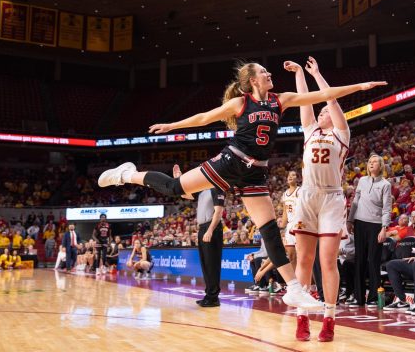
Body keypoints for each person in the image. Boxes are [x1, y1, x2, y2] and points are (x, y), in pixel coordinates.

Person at [98, 61, 385, 310]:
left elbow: (322, 94)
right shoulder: (241, 103)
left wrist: (359, 87)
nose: (269, 73)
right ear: (251, 81)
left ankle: (294, 289)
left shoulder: (280, 99)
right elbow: (203, 118)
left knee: (270, 230)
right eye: (263, 71)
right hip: (230, 162)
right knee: (175, 187)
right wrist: (173, 126)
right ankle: (128, 174)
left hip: (255, 173)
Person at [286, 57, 350, 342]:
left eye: (326, 109)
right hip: (308, 196)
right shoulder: (310, 130)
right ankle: (302, 317)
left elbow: (332, 100)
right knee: (304, 259)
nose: (323, 110)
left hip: (331, 199)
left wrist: (318, 74)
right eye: (321, 109)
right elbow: (304, 102)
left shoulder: (341, 134)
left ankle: (329, 319)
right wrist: (300, 73)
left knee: (327, 262)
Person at [347, 154, 392, 308]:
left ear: (381, 166)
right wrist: (350, 220)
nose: (371, 164)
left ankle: (372, 297)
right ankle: (358, 297)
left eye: (375, 162)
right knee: (359, 260)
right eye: (370, 161)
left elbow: (387, 208)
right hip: (359, 223)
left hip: (375, 226)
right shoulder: (362, 181)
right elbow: (355, 201)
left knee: (373, 261)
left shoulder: (385, 184)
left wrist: (384, 228)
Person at [187, 163, 226, 308]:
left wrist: (210, 230)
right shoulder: (202, 190)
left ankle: (213, 297)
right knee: (205, 264)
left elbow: (218, 212)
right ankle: (209, 294)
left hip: (212, 228)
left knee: (212, 264)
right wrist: (178, 178)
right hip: (202, 228)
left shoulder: (217, 188)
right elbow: (185, 194)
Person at [280, 170, 300, 270]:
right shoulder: (285, 194)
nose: (290, 176)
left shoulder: (300, 191)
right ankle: (295, 282)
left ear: (298, 178)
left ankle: (310, 284)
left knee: (301, 256)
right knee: (291, 256)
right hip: (290, 225)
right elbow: (285, 213)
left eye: (293, 175)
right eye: (288, 175)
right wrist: (281, 228)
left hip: (300, 224)